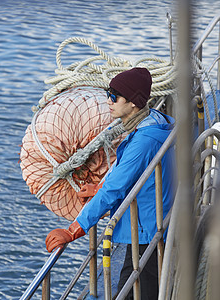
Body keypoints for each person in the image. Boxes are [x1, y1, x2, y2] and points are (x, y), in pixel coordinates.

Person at [45, 67, 175, 299]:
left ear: (133, 103)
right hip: (154, 219)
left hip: (148, 231)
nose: (109, 101)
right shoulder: (153, 122)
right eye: (108, 93)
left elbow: (114, 189)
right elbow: (126, 176)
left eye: (115, 96)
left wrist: (73, 230)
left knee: (134, 286)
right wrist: (98, 189)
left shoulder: (143, 141)